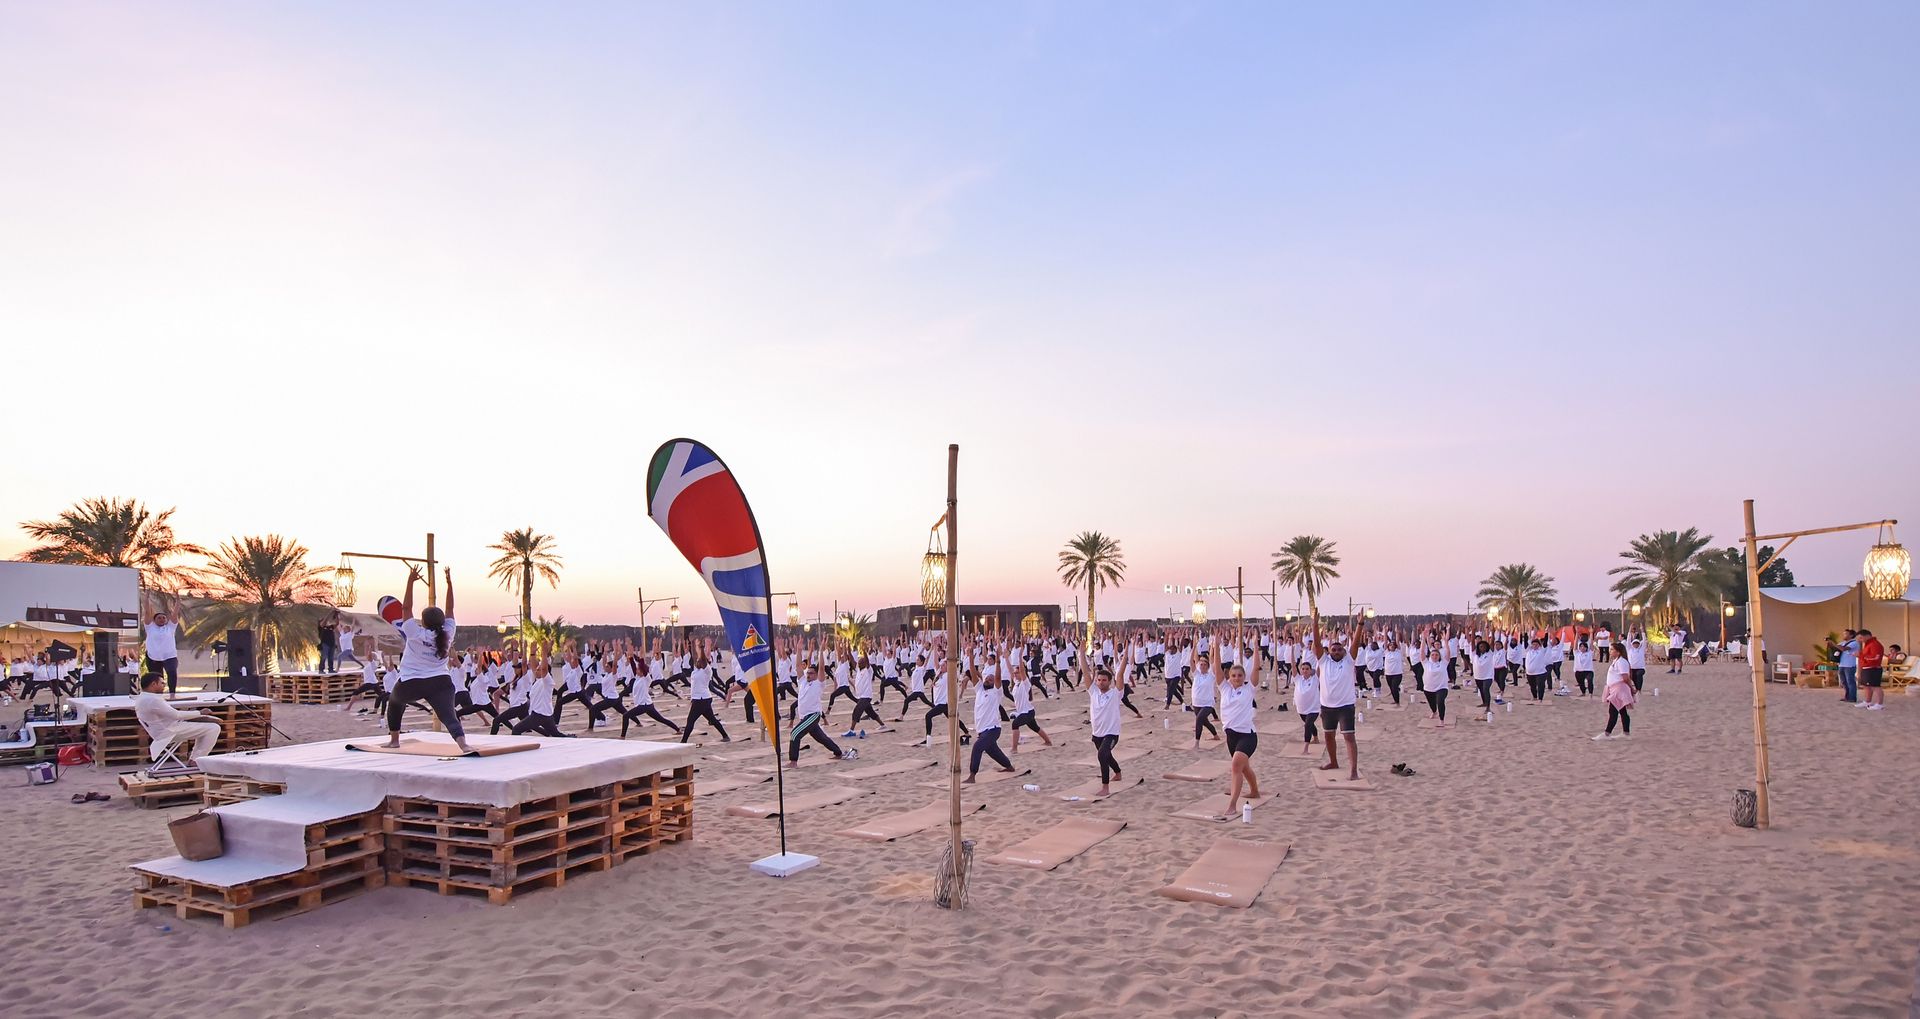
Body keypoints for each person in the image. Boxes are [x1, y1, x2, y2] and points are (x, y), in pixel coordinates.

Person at [381, 568, 474, 753]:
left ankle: (394, 740)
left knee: (395, 702)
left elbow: (405, 608)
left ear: (422, 621)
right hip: (440, 682)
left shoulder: (414, 633)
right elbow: (450, 609)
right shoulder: (448, 632)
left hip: (411, 682)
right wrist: (449, 583)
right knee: (449, 715)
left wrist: (410, 580)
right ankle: (463, 744)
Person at [132, 671, 221, 764]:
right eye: (162, 683)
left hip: (164, 730)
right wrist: (200, 712)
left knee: (206, 727)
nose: (164, 686)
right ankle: (196, 760)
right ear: (153, 684)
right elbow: (176, 715)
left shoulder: (142, 698)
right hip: (168, 732)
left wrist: (199, 716)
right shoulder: (152, 700)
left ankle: (195, 759)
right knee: (213, 728)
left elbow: (173, 715)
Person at [1313, 614, 1361, 781]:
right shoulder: (1323, 661)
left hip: (1346, 706)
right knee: (1328, 735)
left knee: (1349, 737)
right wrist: (1314, 624)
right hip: (1327, 706)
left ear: (1344, 651)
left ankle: (1353, 770)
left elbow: (1355, 643)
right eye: (1333, 649)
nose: (1336, 651)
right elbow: (1317, 644)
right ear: (1329, 651)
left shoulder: (1348, 661)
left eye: (1339, 649)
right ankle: (1333, 762)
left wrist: (1360, 624)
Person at [1220, 658, 1261, 817]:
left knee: (1236, 766)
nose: (1237, 678)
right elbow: (1217, 669)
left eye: (1239, 675)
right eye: (1234, 675)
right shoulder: (1224, 689)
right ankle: (1255, 791)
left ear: (1244, 677)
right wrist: (1215, 646)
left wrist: (1256, 646)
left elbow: (1256, 669)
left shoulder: (1249, 689)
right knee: (1244, 768)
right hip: (1231, 736)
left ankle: (1232, 804)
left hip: (1248, 736)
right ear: (1229, 677)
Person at [965, 661, 1016, 784]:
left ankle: (972, 775)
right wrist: (970, 655)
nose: (988, 680)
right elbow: (972, 672)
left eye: (990, 679)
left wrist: (998, 661)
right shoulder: (979, 690)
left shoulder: (996, 692)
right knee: (993, 751)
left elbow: (998, 677)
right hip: (982, 731)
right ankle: (1009, 766)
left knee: (977, 747)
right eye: (987, 678)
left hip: (993, 729)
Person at [787, 663, 851, 762]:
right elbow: (798, 667)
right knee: (822, 738)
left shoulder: (818, 684)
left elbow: (821, 668)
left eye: (811, 673)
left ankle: (793, 761)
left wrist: (821, 651)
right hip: (804, 717)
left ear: (816, 675)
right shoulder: (802, 682)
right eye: (807, 673)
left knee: (795, 733)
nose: (808, 675)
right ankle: (838, 752)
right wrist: (799, 650)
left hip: (813, 715)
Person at [678, 639, 732, 743]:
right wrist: (694, 645)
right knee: (712, 719)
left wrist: (702, 649)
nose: (697, 661)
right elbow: (696, 657)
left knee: (690, 721)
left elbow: (702, 659)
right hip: (701, 699)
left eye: (700, 661)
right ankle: (725, 736)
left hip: (702, 700)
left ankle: (683, 741)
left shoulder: (707, 671)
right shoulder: (696, 671)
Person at [1087, 666, 1124, 798]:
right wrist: (1081, 652)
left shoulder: (1115, 694)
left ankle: (1105, 787)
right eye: (1099, 680)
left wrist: (1126, 653)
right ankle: (1118, 773)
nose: (1101, 682)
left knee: (1102, 755)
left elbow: (1120, 675)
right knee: (1107, 756)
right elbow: (1085, 672)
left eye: (1104, 680)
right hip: (1097, 734)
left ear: (1109, 682)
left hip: (1111, 733)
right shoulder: (1093, 692)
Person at [141, 591, 183, 695]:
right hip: (153, 657)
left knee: (172, 672)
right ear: (154, 620)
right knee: (157, 678)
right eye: (159, 618)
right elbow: (147, 611)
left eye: (164, 618)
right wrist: (146, 598)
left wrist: (177, 600)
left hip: (170, 656)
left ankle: (172, 693)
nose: (161, 619)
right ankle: (158, 695)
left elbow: (175, 612)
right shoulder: (150, 627)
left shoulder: (170, 627)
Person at [1594, 647, 1636, 739]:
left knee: (1613, 711)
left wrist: (1631, 688)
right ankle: (1626, 732)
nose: (1610, 651)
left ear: (1618, 652)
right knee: (1622, 711)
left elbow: (1625, 677)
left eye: (1612, 650)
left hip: (1619, 688)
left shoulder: (1622, 662)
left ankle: (1607, 733)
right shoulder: (1616, 661)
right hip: (1614, 688)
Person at [1189, 649, 1223, 750]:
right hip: (1196, 702)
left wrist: (1214, 648)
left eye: (1205, 665)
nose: (1202, 666)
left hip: (1208, 703)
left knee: (1199, 719)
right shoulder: (1196, 674)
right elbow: (1191, 661)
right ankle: (1215, 735)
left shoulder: (1211, 675)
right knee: (1204, 722)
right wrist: (1194, 647)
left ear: (1208, 667)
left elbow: (1217, 663)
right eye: (1201, 665)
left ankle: (1197, 743)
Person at [1856, 629, 1887, 711]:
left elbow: (1875, 658)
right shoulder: (1867, 644)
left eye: (1861, 638)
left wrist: (1860, 656)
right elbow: (1865, 655)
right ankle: (1867, 701)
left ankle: (1879, 704)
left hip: (1873, 668)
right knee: (1866, 686)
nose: (1860, 640)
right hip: (1866, 668)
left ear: (1867, 636)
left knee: (1875, 686)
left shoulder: (1875, 644)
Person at [1831, 630, 1860, 703]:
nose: (1844, 635)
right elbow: (1836, 647)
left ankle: (1852, 697)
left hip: (1849, 665)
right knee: (1844, 682)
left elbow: (1843, 649)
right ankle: (1847, 696)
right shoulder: (1843, 643)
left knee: (1850, 682)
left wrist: (1833, 643)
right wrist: (1830, 643)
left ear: (1851, 635)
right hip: (1842, 664)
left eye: (1846, 634)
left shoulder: (1854, 643)